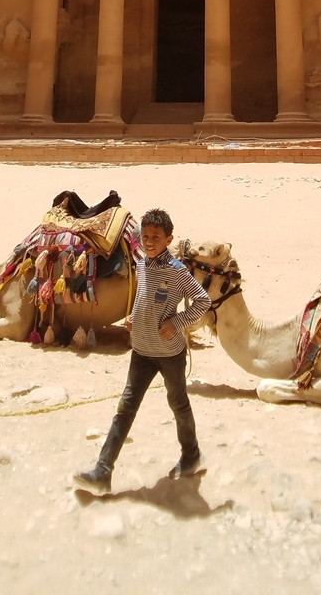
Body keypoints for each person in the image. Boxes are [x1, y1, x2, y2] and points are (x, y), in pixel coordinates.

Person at [73, 207, 211, 496]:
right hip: (141, 351)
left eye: (156, 237)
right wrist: (133, 317)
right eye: (145, 236)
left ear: (168, 239)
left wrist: (177, 321)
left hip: (169, 354)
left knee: (179, 405)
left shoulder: (177, 272)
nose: (149, 242)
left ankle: (191, 455)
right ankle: (102, 471)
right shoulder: (143, 265)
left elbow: (202, 302)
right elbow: (143, 296)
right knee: (125, 409)